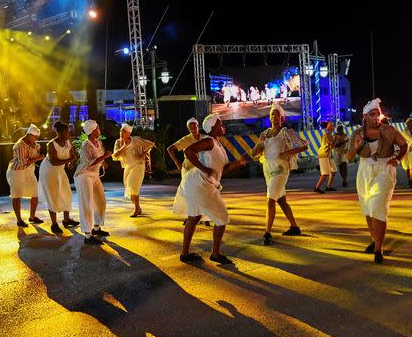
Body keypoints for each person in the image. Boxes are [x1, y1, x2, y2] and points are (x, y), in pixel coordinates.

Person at [174, 114, 248, 264]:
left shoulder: (218, 144)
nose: (223, 126)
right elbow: (189, 151)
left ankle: (185, 253)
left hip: (198, 183)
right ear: (213, 127)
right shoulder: (208, 141)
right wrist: (203, 168)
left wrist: (238, 163)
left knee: (194, 217)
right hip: (199, 183)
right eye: (220, 124)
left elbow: (224, 168)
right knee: (222, 217)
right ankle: (215, 254)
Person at [347, 98, 409, 264]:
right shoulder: (357, 134)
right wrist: (356, 147)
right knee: (368, 208)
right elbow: (349, 157)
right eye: (372, 115)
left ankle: (378, 249)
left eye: (378, 114)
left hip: (385, 169)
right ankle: (375, 240)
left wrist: (398, 159)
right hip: (364, 170)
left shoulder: (389, 130)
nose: (376, 118)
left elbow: (405, 145)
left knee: (378, 207)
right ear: (364, 116)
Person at [251, 102, 309, 244]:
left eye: (277, 114)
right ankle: (294, 227)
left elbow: (304, 146)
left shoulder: (285, 132)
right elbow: (253, 153)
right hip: (268, 170)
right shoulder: (264, 133)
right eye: (272, 114)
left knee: (270, 200)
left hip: (281, 170)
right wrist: (260, 143)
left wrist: (287, 152)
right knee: (281, 200)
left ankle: (267, 233)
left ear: (282, 118)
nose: (274, 116)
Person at [74, 120, 112, 245]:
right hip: (84, 175)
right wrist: (105, 157)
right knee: (87, 204)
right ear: (93, 130)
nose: (99, 129)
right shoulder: (86, 145)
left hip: (94, 175)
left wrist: (104, 162)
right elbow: (90, 163)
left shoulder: (98, 142)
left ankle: (96, 228)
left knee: (100, 201)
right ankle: (88, 235)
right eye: (98, 128)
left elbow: (99, 158)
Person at [38, 121, 79, 234]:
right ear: (59, 133)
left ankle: (66, 220)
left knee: (66, 192)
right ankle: (54, 224)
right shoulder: (51, 144)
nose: (69, 133)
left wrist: (71, 162)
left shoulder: (67, 142)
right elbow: (54, 162)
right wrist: (70, 160)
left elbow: (72, 155)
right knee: (53, 195)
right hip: (49, 171)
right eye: (67, 132)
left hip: (60, 170)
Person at [112, 123, 156, 217]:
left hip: (138, 165)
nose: (121, 132)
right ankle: (138, 208)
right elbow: (115, 155)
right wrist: (123, 147)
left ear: (128, 133)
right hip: (128, 166)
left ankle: (136, 209)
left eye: (124, 131)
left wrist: (143, 154)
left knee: (133, 186)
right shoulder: (118, 142)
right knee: (129, 187)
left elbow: (150, 144)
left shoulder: (135, 140)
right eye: (121, 130)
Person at [6, 124, 44, 227]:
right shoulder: (19, 145)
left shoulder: (34, 144)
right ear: (29, 135)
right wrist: (39, 158)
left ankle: (32, 217)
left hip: (29, 172)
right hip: (17, 172)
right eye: (35, 137)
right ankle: (19, 220)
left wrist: (36, 150)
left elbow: (34, 157)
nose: (36, 139)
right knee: (16, 195)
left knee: (35, 193)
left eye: (37, 138)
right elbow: (23, 163)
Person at [314, 121, 337, 193]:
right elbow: (332, 146)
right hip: (324, 155)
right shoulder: (327, 135)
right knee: (325, 173)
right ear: (329, 128)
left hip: (328, 155)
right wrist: (336, 140)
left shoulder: (330, 135)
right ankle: (317, 187)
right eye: (332, 125)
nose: (334, 126)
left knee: (333, 171)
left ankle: (328, 187)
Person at [400, 118, 412, 188]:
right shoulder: (404, 132)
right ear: (407, 123)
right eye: (410, 123)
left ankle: (410, 181)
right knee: (407, 167)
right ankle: (409, 181)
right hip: (406, 151)